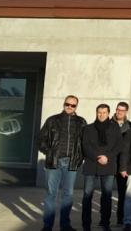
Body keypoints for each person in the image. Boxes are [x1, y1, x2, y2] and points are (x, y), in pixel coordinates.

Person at [38, 95, 87, 231]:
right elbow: (41, 139)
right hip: (54, 162)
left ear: (76, 106)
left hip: (71, 163)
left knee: (68, 195)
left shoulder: (81, 122)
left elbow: (85, 142)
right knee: (50, 195)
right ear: (64, 104)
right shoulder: (52, 120)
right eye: (67, 104)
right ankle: (47, 226)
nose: (69, 107)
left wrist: (80, 158)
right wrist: (49, 152)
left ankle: (65, 226)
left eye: (73, 105)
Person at [81, 104, 123, 231]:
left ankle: (105, 223)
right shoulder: (88, 128)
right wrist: (97, 157)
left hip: (108, 165)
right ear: (96, 112)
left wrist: (107, 157)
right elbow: (85, 146)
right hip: (91, 165)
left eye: (104, 112)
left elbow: (118, 145)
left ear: (109, 113)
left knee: (107, 195)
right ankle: (86, 224)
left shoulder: (115, 128)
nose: (101, 114)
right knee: (87, 195)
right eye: (99, 112)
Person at [112, 102, 131, 226]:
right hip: (109, 164)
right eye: (118, 109)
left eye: (122, 110)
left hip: (123, 165)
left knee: (123, 194)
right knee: (106, 193)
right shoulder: (108, 124)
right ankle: (103, 219)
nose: (119, 112)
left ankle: (120, 218)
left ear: (126, 111)